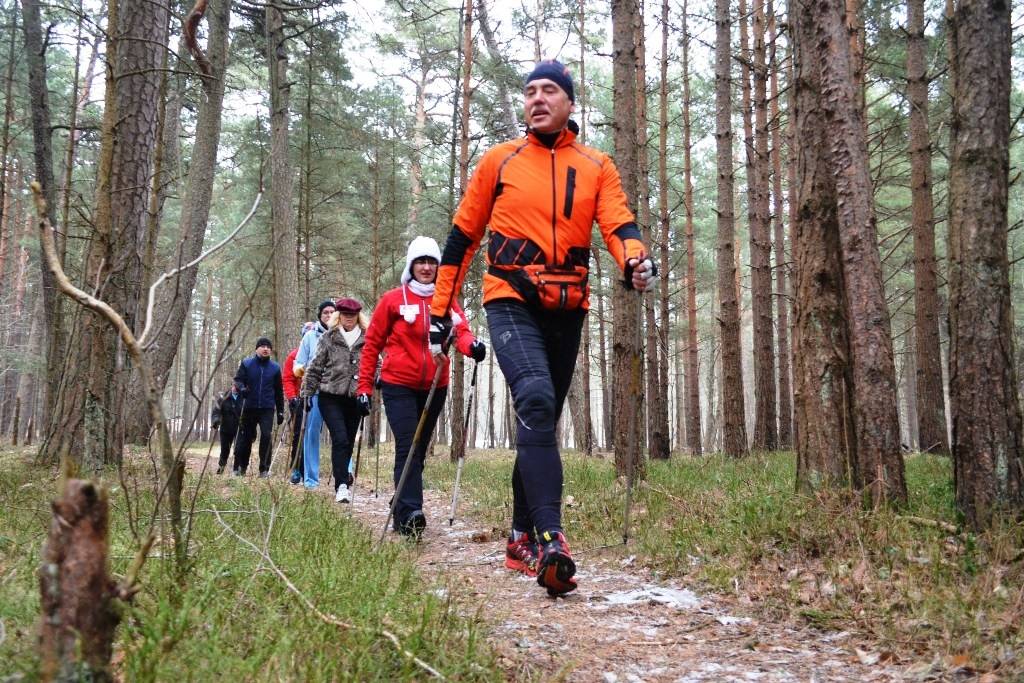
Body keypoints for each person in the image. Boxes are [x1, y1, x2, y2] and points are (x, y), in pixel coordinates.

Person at [429, 60, 657, 595]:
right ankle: (551, 537)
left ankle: (518, 537)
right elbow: (462, 238)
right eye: (529, 92)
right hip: (509, 299)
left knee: (541, 420)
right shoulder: (499, 161)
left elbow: (619, 225)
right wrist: (441, 311)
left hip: (568, 306)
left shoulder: (597, 166)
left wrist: (635, 261)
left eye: (549, 90)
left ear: (570, 103)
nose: (537, 99)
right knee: (533, 400)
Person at [356, 236, 486, 538]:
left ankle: (401, 500)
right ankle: (412, 511)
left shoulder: (447, 299)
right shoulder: (392, 300)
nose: (426, 267)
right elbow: (372, 345)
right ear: (411, 265)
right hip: (397, 383)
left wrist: (473, 347)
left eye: (431, 262)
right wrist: (364, 387)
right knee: (409, 445)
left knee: (419, 450)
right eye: (421, 262)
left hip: (434, 386)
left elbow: (461, 332)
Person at [300, 298, 366, 503]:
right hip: (330, 396)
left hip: (355, 398)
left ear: (358, 316)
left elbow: (376, 365)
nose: (348, 318)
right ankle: (342, 486)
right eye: (345, 315)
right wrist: (307, 394)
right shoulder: (328, 337)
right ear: (339, 316)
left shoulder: (367, 338)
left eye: (352, 315)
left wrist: (374, 385)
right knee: (340, 439)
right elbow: (315, 367)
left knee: (348, 441)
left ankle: (343, 479)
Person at [293, 300, 337, 488]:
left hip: (337, 391)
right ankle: (311, 479)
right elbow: (298, 362)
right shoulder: (310, 336)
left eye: (332, 312)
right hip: (315, 391)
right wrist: (302, 370)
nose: (328, 315)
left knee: (340, 433)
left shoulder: (342, 334)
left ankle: (345, 473)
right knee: (311, 432)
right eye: (325, 312)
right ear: (319, 315)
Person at [232, 337, 285, 477]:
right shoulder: (247, 364)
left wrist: (280, 411)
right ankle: (241, 467)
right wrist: (242, 388)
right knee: (246, 437)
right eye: (262, 346)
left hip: (267, 408)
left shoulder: (275, 368)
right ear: (256, 349)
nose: (266, 348)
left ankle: (264, 469)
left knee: (266, 436)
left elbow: (279, 391)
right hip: (249, 406)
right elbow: (238, 380)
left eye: (268, 346)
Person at [283, 322, 315, 484]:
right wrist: (291, 397)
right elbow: (288, 379)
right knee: (298, 435)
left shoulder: (321, 352)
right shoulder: (294, 356)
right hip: (299, 399)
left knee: (312, 435)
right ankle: (296, 467)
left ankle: (310, 470)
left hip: (317, 397)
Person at [211, 382, 243, 475]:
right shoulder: (223, 398)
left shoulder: (244, 399)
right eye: (233, 386)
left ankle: (236, 469)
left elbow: (249, 415)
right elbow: (216, 411)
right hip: (225, 429)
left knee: (238, 449)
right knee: (225, 449)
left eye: (237, 387)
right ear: (231, 386)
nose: (235, 388)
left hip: (239, 429)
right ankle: (221, 466)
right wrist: (216, 421)